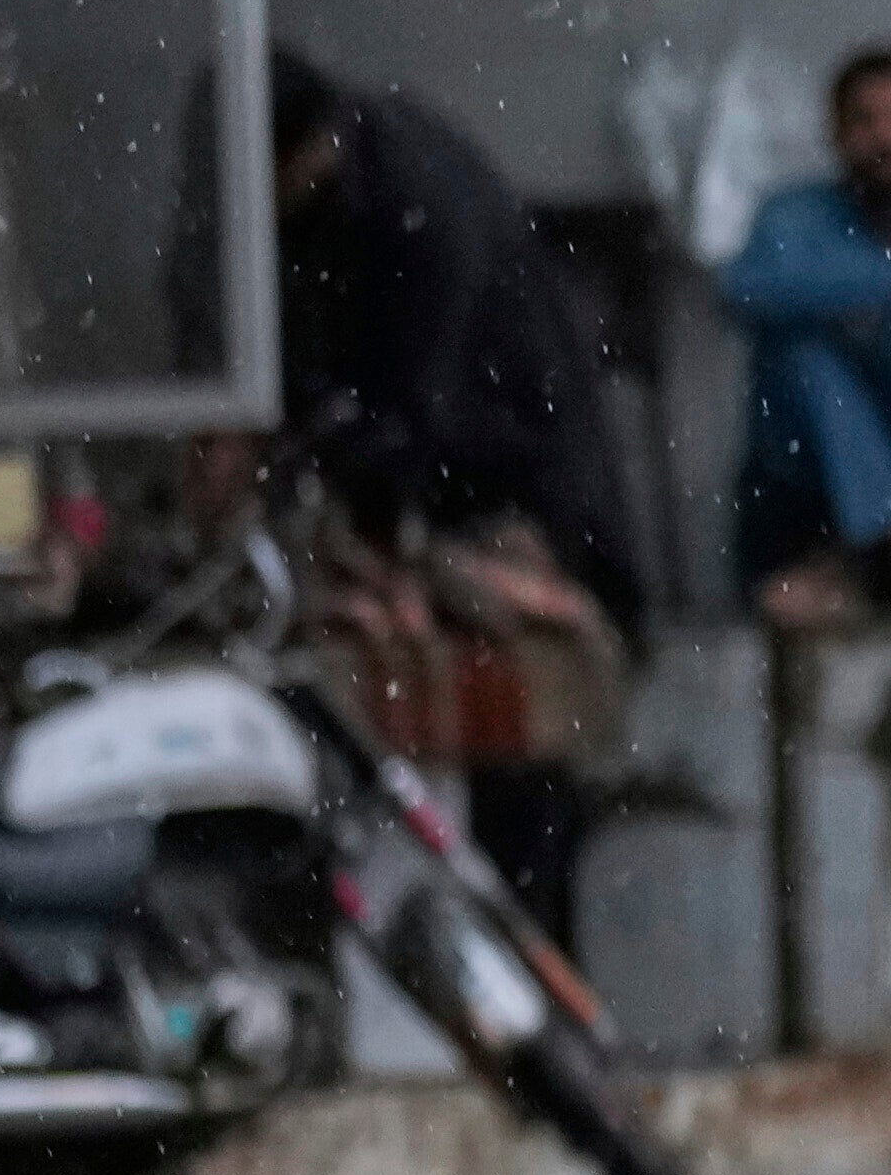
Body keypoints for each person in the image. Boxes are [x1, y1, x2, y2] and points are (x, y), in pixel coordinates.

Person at [181, 52, 663, 929]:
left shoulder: (419, 202)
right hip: (437, 467)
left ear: (305, 154)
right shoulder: (318, 197)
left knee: (524, 770)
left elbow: (414, 403)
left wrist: (346, 486)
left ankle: (528, 953)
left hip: (516, 474)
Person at [720, 44, 891, 672]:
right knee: (806, 358)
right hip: (805, 482)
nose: (888, 138)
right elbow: (743, 290)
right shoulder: (793, 213)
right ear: (836, 135)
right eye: (866, 121)